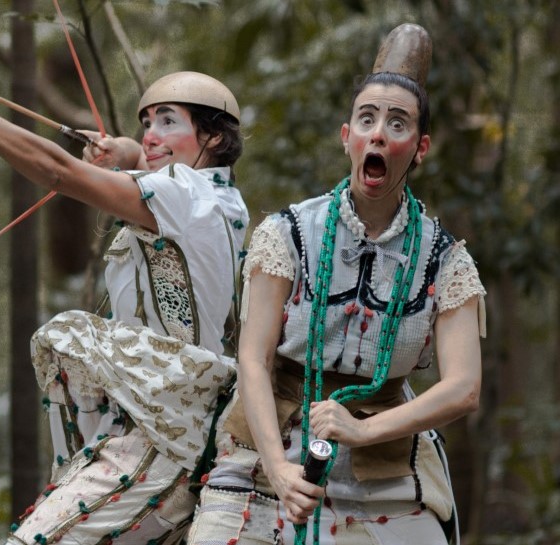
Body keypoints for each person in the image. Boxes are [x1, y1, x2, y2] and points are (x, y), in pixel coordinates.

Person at [186, 24, 485, 545]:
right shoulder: (289, 234)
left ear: (419, 148)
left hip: (385, 455)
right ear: (347, 136)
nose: (378, 133)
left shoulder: (446, 260)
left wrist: (363, 429)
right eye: (366, 119)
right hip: (268, 440)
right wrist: (279, 472)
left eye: (397, 123)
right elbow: (252, 361)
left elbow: (464, 388)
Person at [0, 64, 249, 544]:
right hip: (172, 433)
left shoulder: (182, 195)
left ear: (214, 138)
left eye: (168, 121)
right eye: (147, 124)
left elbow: (58, 171)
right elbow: (163, 171)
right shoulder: (221, 198)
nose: (151, 135)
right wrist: (131, 152)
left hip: (157, 446)